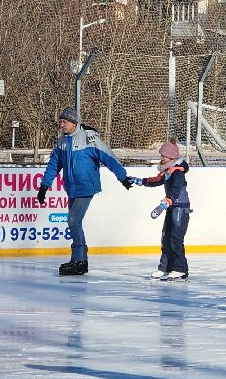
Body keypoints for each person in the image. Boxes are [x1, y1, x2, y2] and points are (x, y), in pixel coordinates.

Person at [37, 106, 132, 276]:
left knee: (73, 220)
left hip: (86, 187)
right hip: (71, 188)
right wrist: (44, 186)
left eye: (64, 122)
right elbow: (53, 165)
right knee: (75, 223)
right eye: (61, 122)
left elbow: (108, 157)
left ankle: (79, 259)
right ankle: (80, 260)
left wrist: (123, 177)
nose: (61, 125)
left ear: (74, 123)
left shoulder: (89, 139)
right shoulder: (62, 142)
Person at [137, 139, 191, 280]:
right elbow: (156, 180)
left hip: (180, 208)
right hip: (171, 207)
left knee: (176, 238)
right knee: (166, 238)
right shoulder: (168, 170)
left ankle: (180, 269)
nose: (161, 157)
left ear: (171, 157)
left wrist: (167, 201)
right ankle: (165, 268)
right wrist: (139, 181)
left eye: (164, 155)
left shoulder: (177, 172)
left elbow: (175, 190)